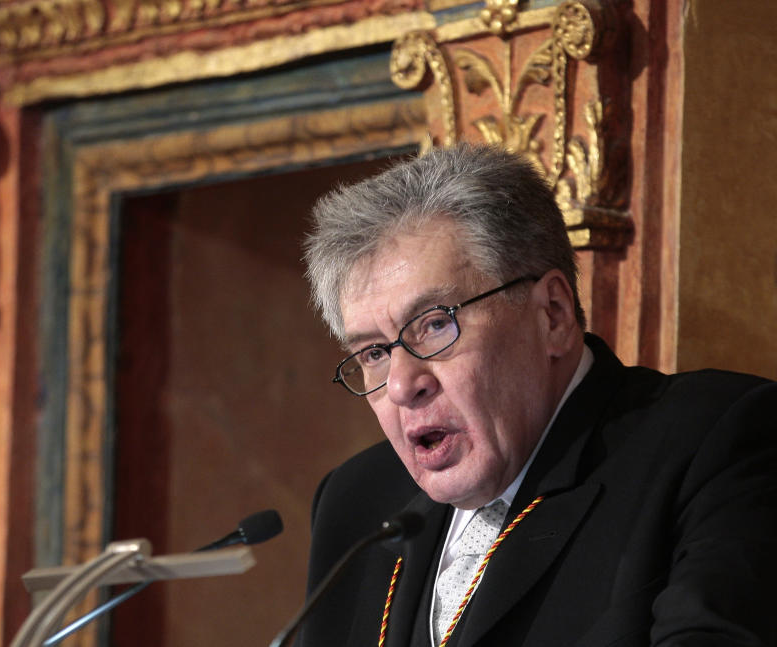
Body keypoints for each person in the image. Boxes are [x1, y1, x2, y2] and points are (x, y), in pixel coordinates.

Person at [298, 143, 777, 647]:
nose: (400, 384)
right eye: (374, 352)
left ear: (552, 314)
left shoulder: (715, 442)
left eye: (435, 325)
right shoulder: (356, 501)